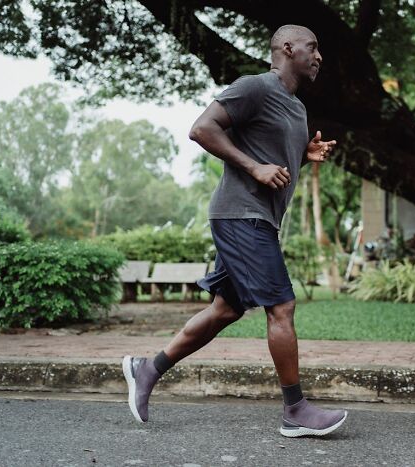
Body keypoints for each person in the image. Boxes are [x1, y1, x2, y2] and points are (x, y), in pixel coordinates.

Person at [122, 24, 347, 438]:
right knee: (282, 306)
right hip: (241, 214)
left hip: (257, 218)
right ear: (287, 48)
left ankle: (146, 368)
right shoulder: (255, 87)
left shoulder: (295, 107)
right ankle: (295, 409)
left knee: (225, 310)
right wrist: (254, 167)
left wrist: (304, 152)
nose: (319, 57)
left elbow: (271, 147)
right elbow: (202, 128)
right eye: (313, 48)